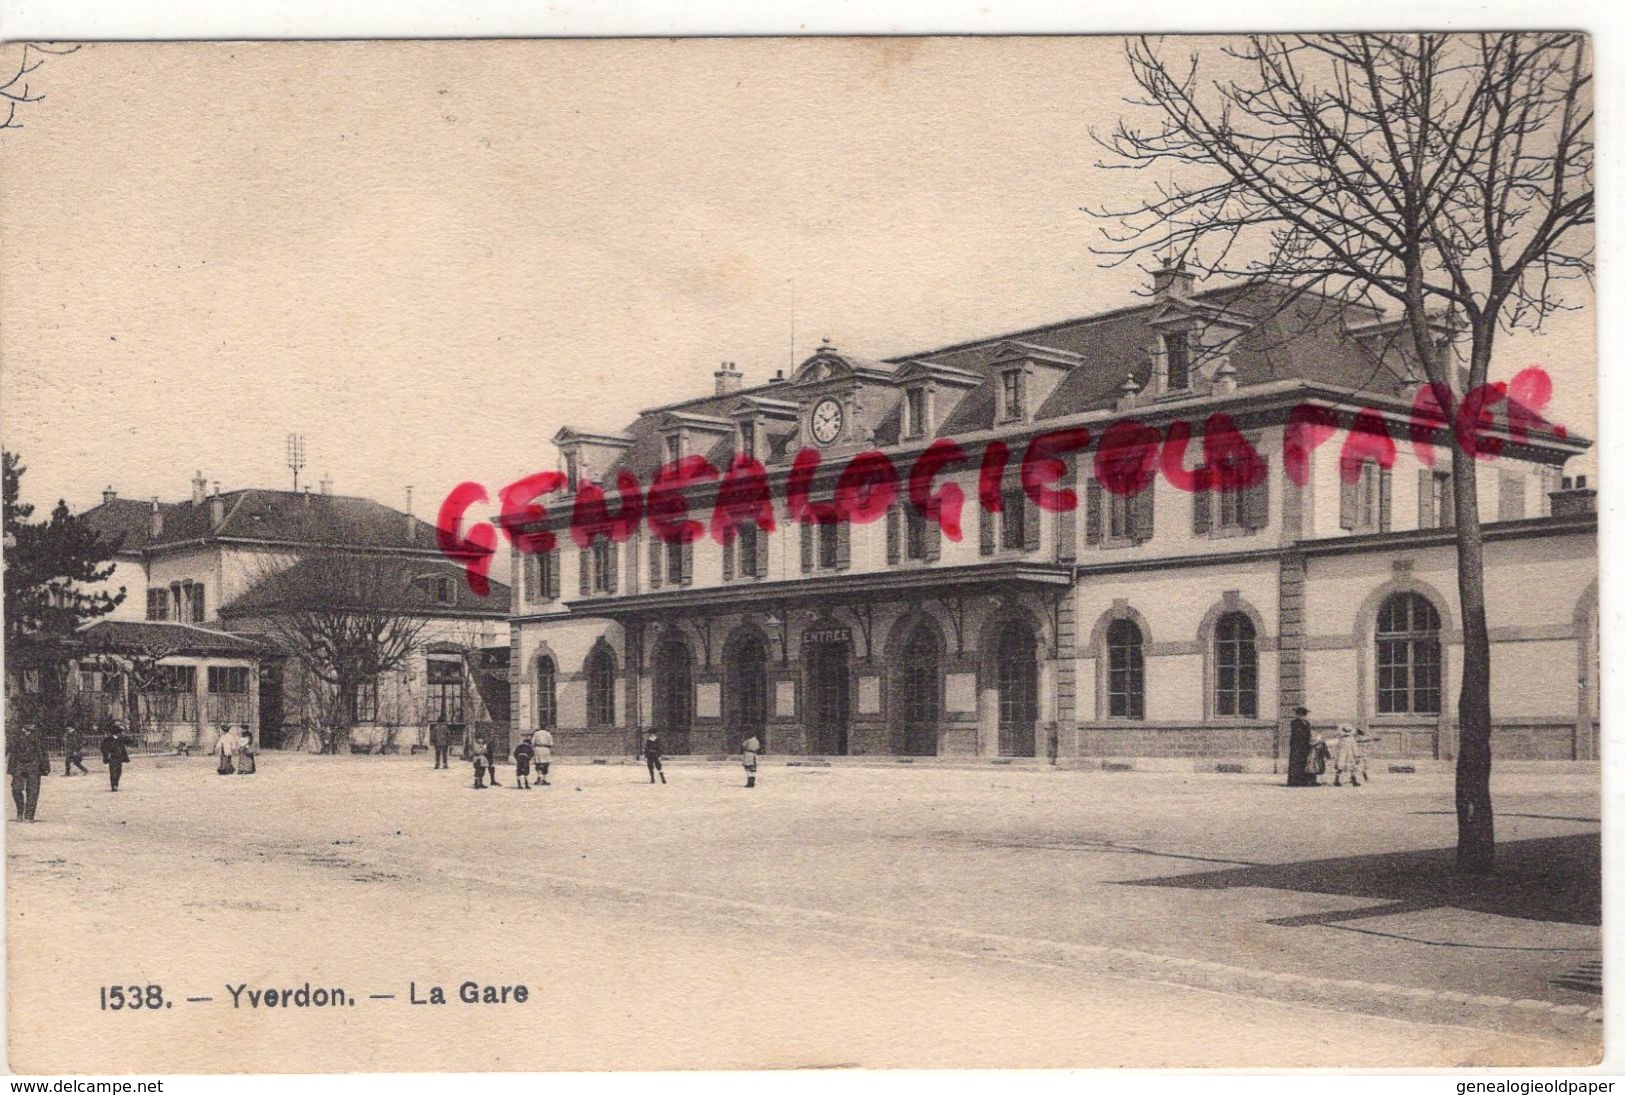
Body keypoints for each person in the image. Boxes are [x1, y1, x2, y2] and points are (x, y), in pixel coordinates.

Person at [8, 724, 50, 821]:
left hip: (34, 766)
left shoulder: (38, 738)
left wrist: (45, 766)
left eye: (31, 730)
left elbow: (43, 753)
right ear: (23, 729)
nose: (29, 732)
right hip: (19, 765)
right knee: (16, 789)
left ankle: (29, 816)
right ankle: (20, 811)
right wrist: (11, 768)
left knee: (33, 791)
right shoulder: (17, 739)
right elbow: (13, 753)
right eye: (27, 730)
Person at [1286, 706, 1313, 787]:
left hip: (1304, 746)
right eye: (1300, 714)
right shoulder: (1295, 723)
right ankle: (1294, 781)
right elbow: (1299, 735)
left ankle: (1302, 780)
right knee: (1295, 762)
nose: (1302, 716)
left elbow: (1308, 734)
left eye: (1303, 715)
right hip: (1296, 746)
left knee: (1303, 762)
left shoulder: (1306, 723)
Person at [100, 725, 131, 792]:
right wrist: (107, 754)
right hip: (112, 757)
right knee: (113, 772)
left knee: (119, 772)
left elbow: (129, 741)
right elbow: (103, 748)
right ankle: (114, 786)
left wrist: (125, 734)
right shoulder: (108, 739)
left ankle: (116, 784)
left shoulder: (120, 738)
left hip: (119, 757)